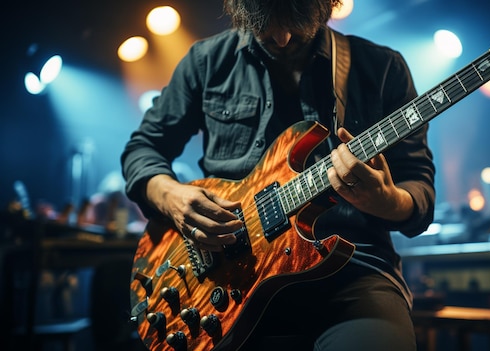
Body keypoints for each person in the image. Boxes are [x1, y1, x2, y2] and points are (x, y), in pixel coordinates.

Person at [121, 1, 435, 350]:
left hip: (353, 275)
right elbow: (143, 149)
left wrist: (387, 201)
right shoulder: (206, 61)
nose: (283, 38)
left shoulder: (382, 67)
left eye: (297, 20)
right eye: (265, 23)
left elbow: (419, 190)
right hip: (227, 278)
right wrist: (170, 196)